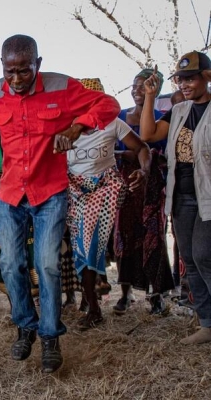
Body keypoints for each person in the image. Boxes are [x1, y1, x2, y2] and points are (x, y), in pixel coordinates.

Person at [0, 34, 120, 373]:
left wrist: (75, 128)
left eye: (24, 71)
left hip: (50, 193)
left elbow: (108, 105)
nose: (16, 80)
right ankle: (25, 326)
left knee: (47, 264)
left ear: (37, 64)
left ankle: (49, 335)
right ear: (2, 66)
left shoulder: (62, 86)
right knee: (11, 264)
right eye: (9, 71)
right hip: (11, 194)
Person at [67, 78, 151, 330]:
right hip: (73, 193)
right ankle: (89, 299)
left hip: (105, 191)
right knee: (80, 250)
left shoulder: (113, 124)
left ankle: (94, 309)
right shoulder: (66, 126)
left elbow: (141, 147)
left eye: (95, 102)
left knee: (90, 247)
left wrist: (144, 171)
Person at [140, 53, 211, 344]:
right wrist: (149, 96)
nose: (184, 84)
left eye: (191, 78)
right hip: (181, 196)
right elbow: (148, 132)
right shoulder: (179, 111)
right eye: (180, 79)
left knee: (204, 255)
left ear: (207, 76)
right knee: (190, 261)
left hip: (207, 195)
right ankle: (207, 324)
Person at [113, 68, 174, 316]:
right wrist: (126, 154)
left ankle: (156, 294)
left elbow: (166, 155)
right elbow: (106, 149)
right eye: (134, 85)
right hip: (124, 184)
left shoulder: (160, 118)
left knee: (154, 237)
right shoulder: (118, 117)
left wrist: (146, 160)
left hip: (151, 186)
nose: (137, 90)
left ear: (155, 90)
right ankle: (126, 293)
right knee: (123, 236)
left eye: (143, 86)